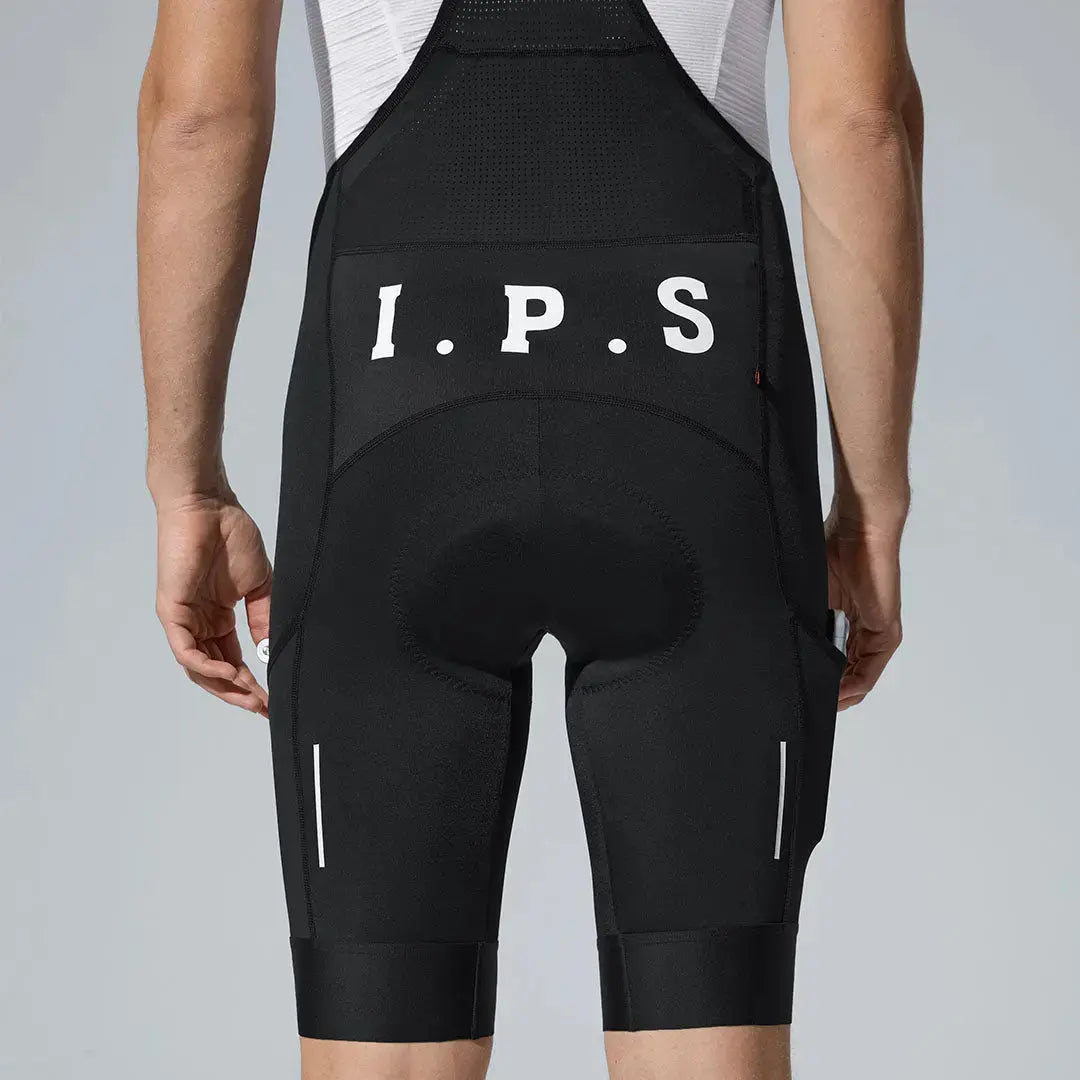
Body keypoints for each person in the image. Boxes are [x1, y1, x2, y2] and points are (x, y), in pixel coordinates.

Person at [137, 1, 922, 1077]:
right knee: (713, 1031)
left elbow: (198, 116)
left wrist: (187, 485)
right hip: (701, 438)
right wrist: (871, 502)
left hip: (392, 440)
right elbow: (861, 120)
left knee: (381, 1045)